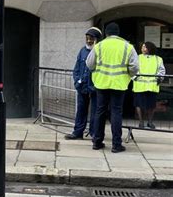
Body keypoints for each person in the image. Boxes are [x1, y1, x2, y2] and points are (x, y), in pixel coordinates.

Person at [86, 22, 139, 153]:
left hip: (102, 83)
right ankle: (116, 144)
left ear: (106, 33)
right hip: (119, 84)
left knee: (100, 111)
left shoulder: (99, 46)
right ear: (118, 33)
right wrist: (129, 75)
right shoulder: (128, 47)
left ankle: (97, 142)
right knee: (116, 112)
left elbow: (89, 64)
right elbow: (135, 67)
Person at [65, 27, 103, 140]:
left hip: (95, 87)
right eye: (87, 38)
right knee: (81, 110)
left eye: (91, 39)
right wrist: (77, 81)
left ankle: (94, 133)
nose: (89, 41)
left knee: (95, 112)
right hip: (82, 86)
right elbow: (77, 68)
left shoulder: (100, 51)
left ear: (97, 39)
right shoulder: (82, 50)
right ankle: (78, 132)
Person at [132, 41, 165, 129]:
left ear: (150, 48)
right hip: (140, 86)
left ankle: (150, 122)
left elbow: (161, 71)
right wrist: (135, 77)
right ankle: (141, 122)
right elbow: (133, 69)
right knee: (139, 105)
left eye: (144, 47)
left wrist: (159, 79)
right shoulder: (138, 58)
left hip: (152, 86)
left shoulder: (158, 59)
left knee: (151, 105)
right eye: (142, 47)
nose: (142, 49)